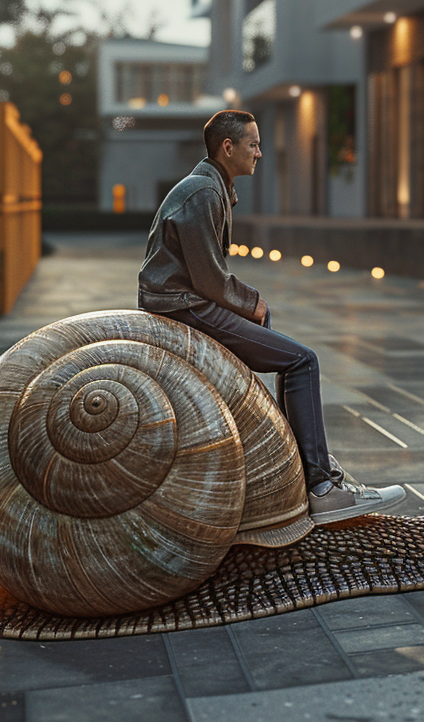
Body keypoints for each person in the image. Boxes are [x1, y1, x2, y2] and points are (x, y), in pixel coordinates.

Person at [138, 108, 406, 522]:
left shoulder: (211, 187)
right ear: (227, 148)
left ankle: (311, 473)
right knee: (302, 359)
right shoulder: (202, 193)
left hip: (185, 302)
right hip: (184, 307)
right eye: (253, 144)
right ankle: (320, 486)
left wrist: (252, 307)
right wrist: (253, 302)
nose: (260, 153)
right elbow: (210, 280)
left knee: (286, 354)